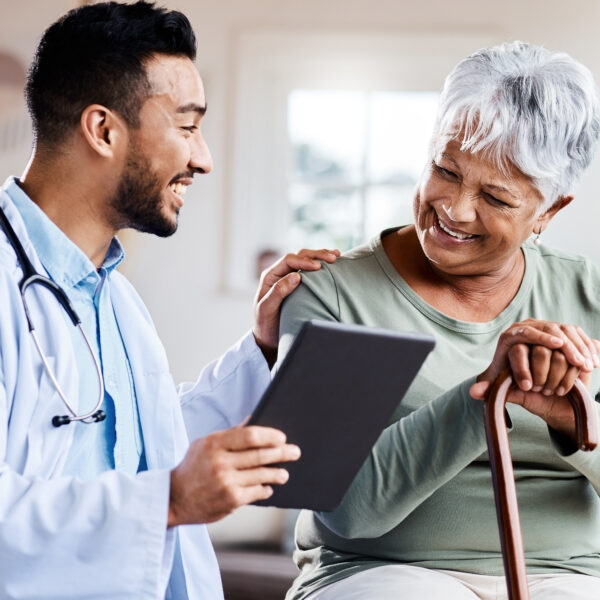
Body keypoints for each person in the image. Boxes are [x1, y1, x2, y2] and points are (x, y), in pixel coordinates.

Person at [0, 2, 340, 598]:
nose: (202, 158)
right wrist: (168, 499)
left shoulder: (116, 299)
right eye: (186, 127)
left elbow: (146, 447)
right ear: (103, 129)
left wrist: (262, 347)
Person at [279, 41, 600, 600]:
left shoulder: (589, 295)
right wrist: (484, 394)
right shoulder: (333, 294)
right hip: (378, 574)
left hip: (570, 574)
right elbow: (344, 510)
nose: (454, 209)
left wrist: (576, 420)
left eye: (496, 198)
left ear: (549, 211)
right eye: (445, 170)